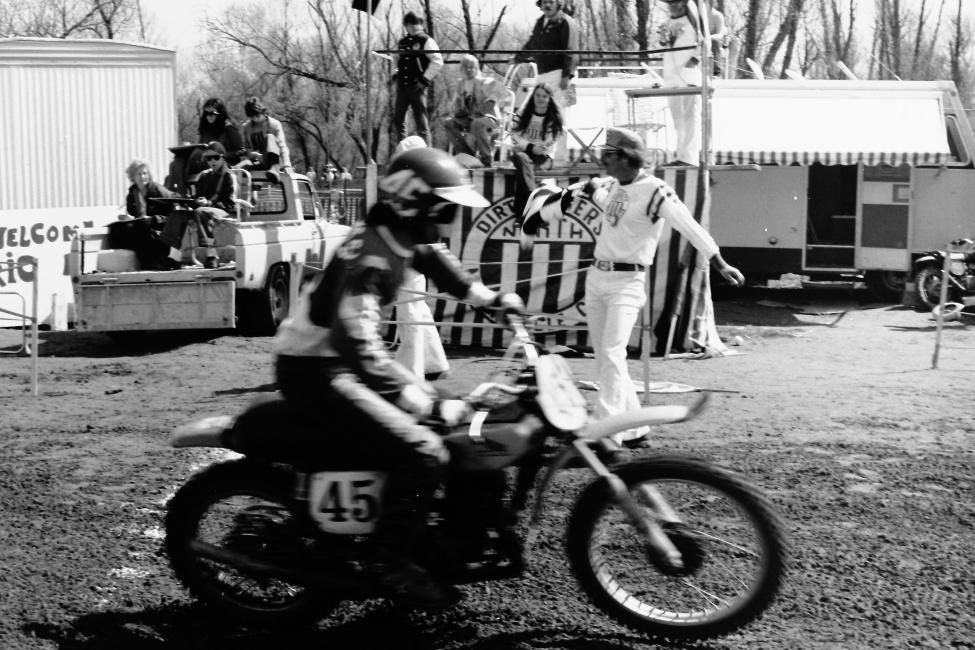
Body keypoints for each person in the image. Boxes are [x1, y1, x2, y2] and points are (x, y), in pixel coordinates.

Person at [272, 147, 525, 609]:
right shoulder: (370, 257)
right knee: (423, 448)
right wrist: (423, 402)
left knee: (464, 425)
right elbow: (359, 345)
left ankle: (442, 537)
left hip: (341, 363)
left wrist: (488, 298)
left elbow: (434, 259)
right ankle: (385, 561)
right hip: (315, 369)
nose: (449, 220)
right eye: (444, 210)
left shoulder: (398, 235)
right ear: (416, 205)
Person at [519, 127, 744, 445]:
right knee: (606, 356)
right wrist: (558, 203)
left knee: (611, 353)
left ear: (627, 158)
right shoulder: (613, 186)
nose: (602, 160)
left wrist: (718, 260)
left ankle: (605, 429)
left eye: (608, 155)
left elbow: (687, 224)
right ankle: (635, 428)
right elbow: (598, 198)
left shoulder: (655, 190)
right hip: (598, 277)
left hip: (628, 281)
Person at [658, 0, 725, 165]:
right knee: (677, 120)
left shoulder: (695, 13)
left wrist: (694, 60)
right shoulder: (667, 21)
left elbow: (705, 40)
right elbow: (663, 43)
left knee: (690, 116)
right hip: (671, 76)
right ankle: (680, 155)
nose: (672, 6)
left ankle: (688, 157)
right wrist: (662, 36)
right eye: (669, 4)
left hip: (688, 75)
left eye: (675, 3)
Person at [513, 0, 578, 162]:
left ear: (558, 4)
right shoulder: (540, 23)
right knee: (542, 114)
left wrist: (567, 76)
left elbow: (572, 50)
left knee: (562, 116)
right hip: (543, 76)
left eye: (551, 2)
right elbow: (532, 44)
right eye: (544, 2)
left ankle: (561, 159)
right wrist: (517, 58)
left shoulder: (566, 22)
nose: (547, 5)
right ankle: (543, 154)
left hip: (561, 75)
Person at [160, 141, 235, 268]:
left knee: (202, 212)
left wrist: (209, 203)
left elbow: (230, 203)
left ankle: (212, 255)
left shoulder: (229, 177)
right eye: (208, 158)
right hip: (203, 210)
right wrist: (190, 200)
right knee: (178, 214)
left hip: (221, 210)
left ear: (223, 157)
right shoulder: (204, 176)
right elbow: (197, 198)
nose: (212, 161)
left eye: (216, 157)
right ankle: (174, 256)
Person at [111, 159, 180, 270]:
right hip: (144, 224)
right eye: (139, 174)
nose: (143, 177)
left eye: (145, 173)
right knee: (119, 229)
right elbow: (133, 212)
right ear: (133, 176)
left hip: (161, 225)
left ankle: (152, 261)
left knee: (142, 228)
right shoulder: (133, 192)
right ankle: (147, 262)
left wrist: (154, 219)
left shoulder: (156, 188)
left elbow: (175, 202)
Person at [509, 82, 565, 218]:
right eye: (537, 95)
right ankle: (532, 198)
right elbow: (514, 133)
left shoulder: (554, 118)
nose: (540, 99)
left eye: (544, 96)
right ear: (533, 96)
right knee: (521, 159)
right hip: (524, 152)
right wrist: (530, 147)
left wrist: (539, 148)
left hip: (543, 157)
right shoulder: (523, 112)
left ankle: (520, 211)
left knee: (522, 166)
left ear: (549, 98)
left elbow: (551, 142)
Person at [392, 11, 444, 146]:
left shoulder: (426, 40)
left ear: (421, 24)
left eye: (416, 23)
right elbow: (396, 60)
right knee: (399, 119)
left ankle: (428, 151)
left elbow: (437, 61)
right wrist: (395, 73)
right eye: (410, 24)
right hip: (402, 85)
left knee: (421, 121)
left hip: (417, 85)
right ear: (406, 26)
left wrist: (425, 79)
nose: (413, 27)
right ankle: (402, 148)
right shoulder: (402, 42)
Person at [443, 54, 502, 168]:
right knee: (448, 123)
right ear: (462, 69)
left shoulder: (485, 81)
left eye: (472, 67)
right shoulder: (461, 84)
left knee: (477, 123)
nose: (469, 69)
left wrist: (484, 109)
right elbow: (460, 106)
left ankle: (486, 159)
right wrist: (457, 113)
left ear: (477, 68)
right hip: (470, 118)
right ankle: (466, 153)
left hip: (489, 118)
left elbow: (496, 97)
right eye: (466, 67)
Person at [239, 97, 291, 174]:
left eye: (257, 116)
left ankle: (274, 169)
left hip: (276, 162)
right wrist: (257, 156)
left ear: (262, 112)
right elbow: (248, 149)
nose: (255, 119)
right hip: (259, 162)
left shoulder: (274, 124)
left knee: (269, 137)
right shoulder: (247, 127)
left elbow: (282, 146)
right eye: (252, 117)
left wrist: (287, 165)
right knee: (240, 169)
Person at [197, 98, 243, 165]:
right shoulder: (205, 130)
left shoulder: (229, 129)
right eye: (207, 113)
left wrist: (223, 156)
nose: (209, 116)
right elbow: (200, 149)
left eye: (212, 113)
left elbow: (240, 151)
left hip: (226, 165)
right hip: (207, 164)